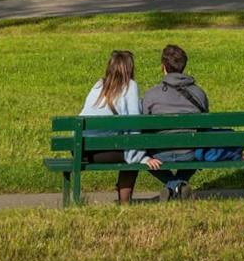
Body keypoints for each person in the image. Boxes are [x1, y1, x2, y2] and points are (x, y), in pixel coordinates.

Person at [81, 50, 160, 204]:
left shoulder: (98, 85)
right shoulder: (130, 86)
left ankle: (123, 196)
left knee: (129, 150)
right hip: (101, 150)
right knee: (131, 155)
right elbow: (134, 124)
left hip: (80, 149)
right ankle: (124, 202)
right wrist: (141, 157)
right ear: (130, 69)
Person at [142, 43, 209, 200]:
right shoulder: (199, 93)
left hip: (159, 153)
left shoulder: (151, 94)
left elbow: (143, 126)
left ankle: (171, 185)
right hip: (190, 153)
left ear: (162, 67)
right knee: (202, 146)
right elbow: (206, 126)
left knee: (140, 153)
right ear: (183, 67)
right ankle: (179, 185)